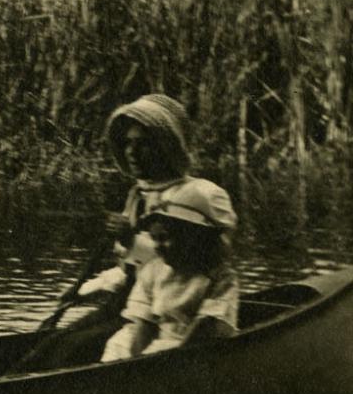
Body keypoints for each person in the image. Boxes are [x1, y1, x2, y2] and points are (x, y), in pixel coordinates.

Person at [69, 94, 209, 313]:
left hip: (170, 307)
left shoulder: (191, 196)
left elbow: (186, 266)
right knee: (61, 342)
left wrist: (130, 238)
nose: (131, 152)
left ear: (164, 149)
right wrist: (83, 288)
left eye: (142, 144)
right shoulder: (138, 195)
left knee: (73, 346)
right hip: (134, 299)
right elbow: (130, 266)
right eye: (127, 143)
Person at [99, 179, 239, 361]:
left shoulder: (220, 277)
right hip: (150, 347)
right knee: (119, 346)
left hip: (192, 352)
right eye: (154, 238)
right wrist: (133, 364)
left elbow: (205, 327)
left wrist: (166, 365)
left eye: (165, 238)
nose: (158, 247)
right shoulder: (153, 271)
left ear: (192, 236)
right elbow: (144, 326)